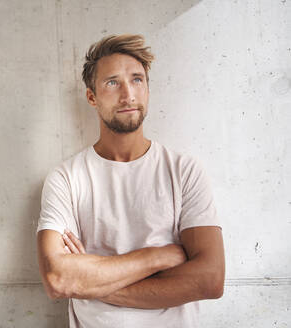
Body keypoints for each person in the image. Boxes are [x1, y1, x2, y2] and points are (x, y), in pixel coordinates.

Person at [36, 34, 225, 328]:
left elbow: (210, 281)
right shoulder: (67, 178)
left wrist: (90, 281)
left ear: (147, 89)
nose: (128, 95)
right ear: (91, 97)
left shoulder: (183, 171)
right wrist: (159, 257)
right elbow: (58, 279)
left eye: (137, 80)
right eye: (112, 82)